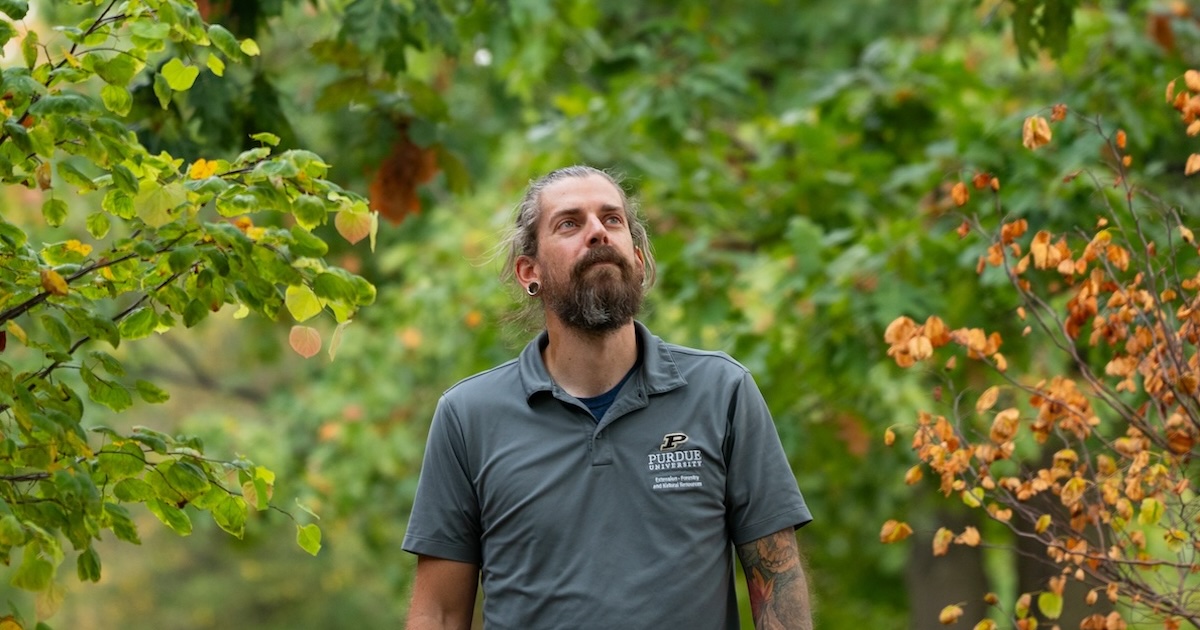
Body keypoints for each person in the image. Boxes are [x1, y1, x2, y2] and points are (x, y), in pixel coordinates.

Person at [402, 165, 814, 629]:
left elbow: (778, 586)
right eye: (570, 223)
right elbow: (437, 613)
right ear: (528, 271)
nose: (597, 232)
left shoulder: (722, 392)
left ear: (637, 258)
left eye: (612, 219)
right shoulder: (468, 416)